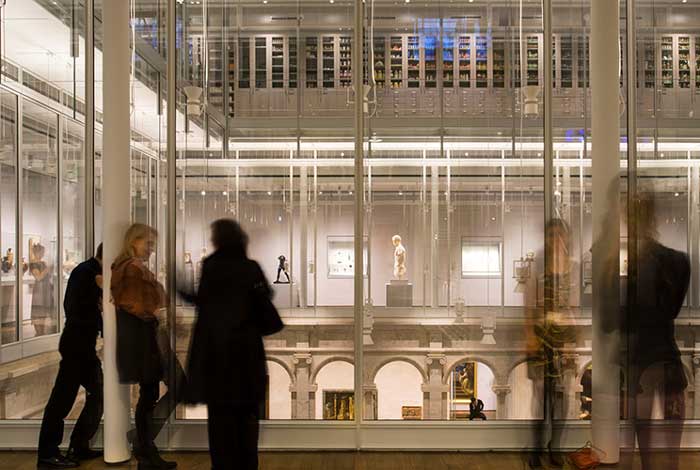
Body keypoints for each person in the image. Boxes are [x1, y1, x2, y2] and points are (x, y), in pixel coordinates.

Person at [183, 219, 282, 470]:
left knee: (220, 426)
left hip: (218, 357)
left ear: (217, 240)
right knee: (247, 426)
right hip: (246, 355)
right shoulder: (250, 268)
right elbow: (265, 299)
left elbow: (204, 305)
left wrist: (182, 291)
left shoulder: (211, 266)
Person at [625, 193, 690, 470]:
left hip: (645, 361)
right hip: (662, 358)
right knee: (665, 456)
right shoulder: (675, 261)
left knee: (650, 454)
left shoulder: (653, 263)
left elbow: (619, 320)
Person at [112, 224, 183, 470]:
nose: (151, 249)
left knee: (151, 393)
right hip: (146, 340)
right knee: (165, 388)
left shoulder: (131, 268)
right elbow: (135, 304)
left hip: (148, 339)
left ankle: (143, 444)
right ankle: (144, 445)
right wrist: (159, 312)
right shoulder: (131, 269)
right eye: (148, 244)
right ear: (134, 241)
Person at [37, 244, 104, 469]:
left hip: (84, 345)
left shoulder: (91, 273)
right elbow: (74, 307)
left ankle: (78, 445)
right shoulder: (86, 272)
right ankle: (48, 454)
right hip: (76, 345)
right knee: (61, 400)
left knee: (98, 393)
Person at [526, 218, 577, 468]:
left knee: (562, 398)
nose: (556, 239)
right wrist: (530, 336)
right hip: (542, 335)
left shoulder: (572, 268)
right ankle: (536, 449)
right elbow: (529, 304)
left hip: (563, 337)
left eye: (560, 234)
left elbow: (574, 306)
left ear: (566, 238)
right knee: (541, 397)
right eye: (551, 235)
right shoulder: (538, 267)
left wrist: (571, 342)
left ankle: (554, 446)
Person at [30, 243, 56, 336]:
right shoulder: (33, 263)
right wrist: (48, 269)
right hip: (39, 291)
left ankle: (42, 333)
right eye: (42, 252)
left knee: (44, 312)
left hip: (46, 290)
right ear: (38, 252)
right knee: (38, 311)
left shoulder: (43, 263)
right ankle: (39, 333)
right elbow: (38, 277)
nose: (43, 254)